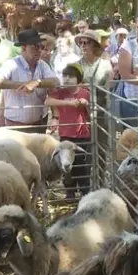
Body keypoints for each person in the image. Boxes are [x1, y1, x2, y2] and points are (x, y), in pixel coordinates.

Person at [0, 28, 58, 133]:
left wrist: (37, 82)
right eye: (35, 46)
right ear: (24, 47)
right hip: (15, 126)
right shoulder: (11, 64)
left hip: (38, 123)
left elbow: (55, 82)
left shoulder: (42, 65)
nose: (39, 50)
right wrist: (23, 85)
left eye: (41, 46)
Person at [45, 63, 90, 200]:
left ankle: (84, 191)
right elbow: (48, 101)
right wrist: (69, 103)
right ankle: (69, 191)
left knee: (81, 165)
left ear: (79, 80)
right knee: (66, 165)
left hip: (82, 134)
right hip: (66, 135)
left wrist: (85, 104)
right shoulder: (60, 93)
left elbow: (90, 111)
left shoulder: (85, 93)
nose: (66, 79)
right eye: (64, 76)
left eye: (71, 76)